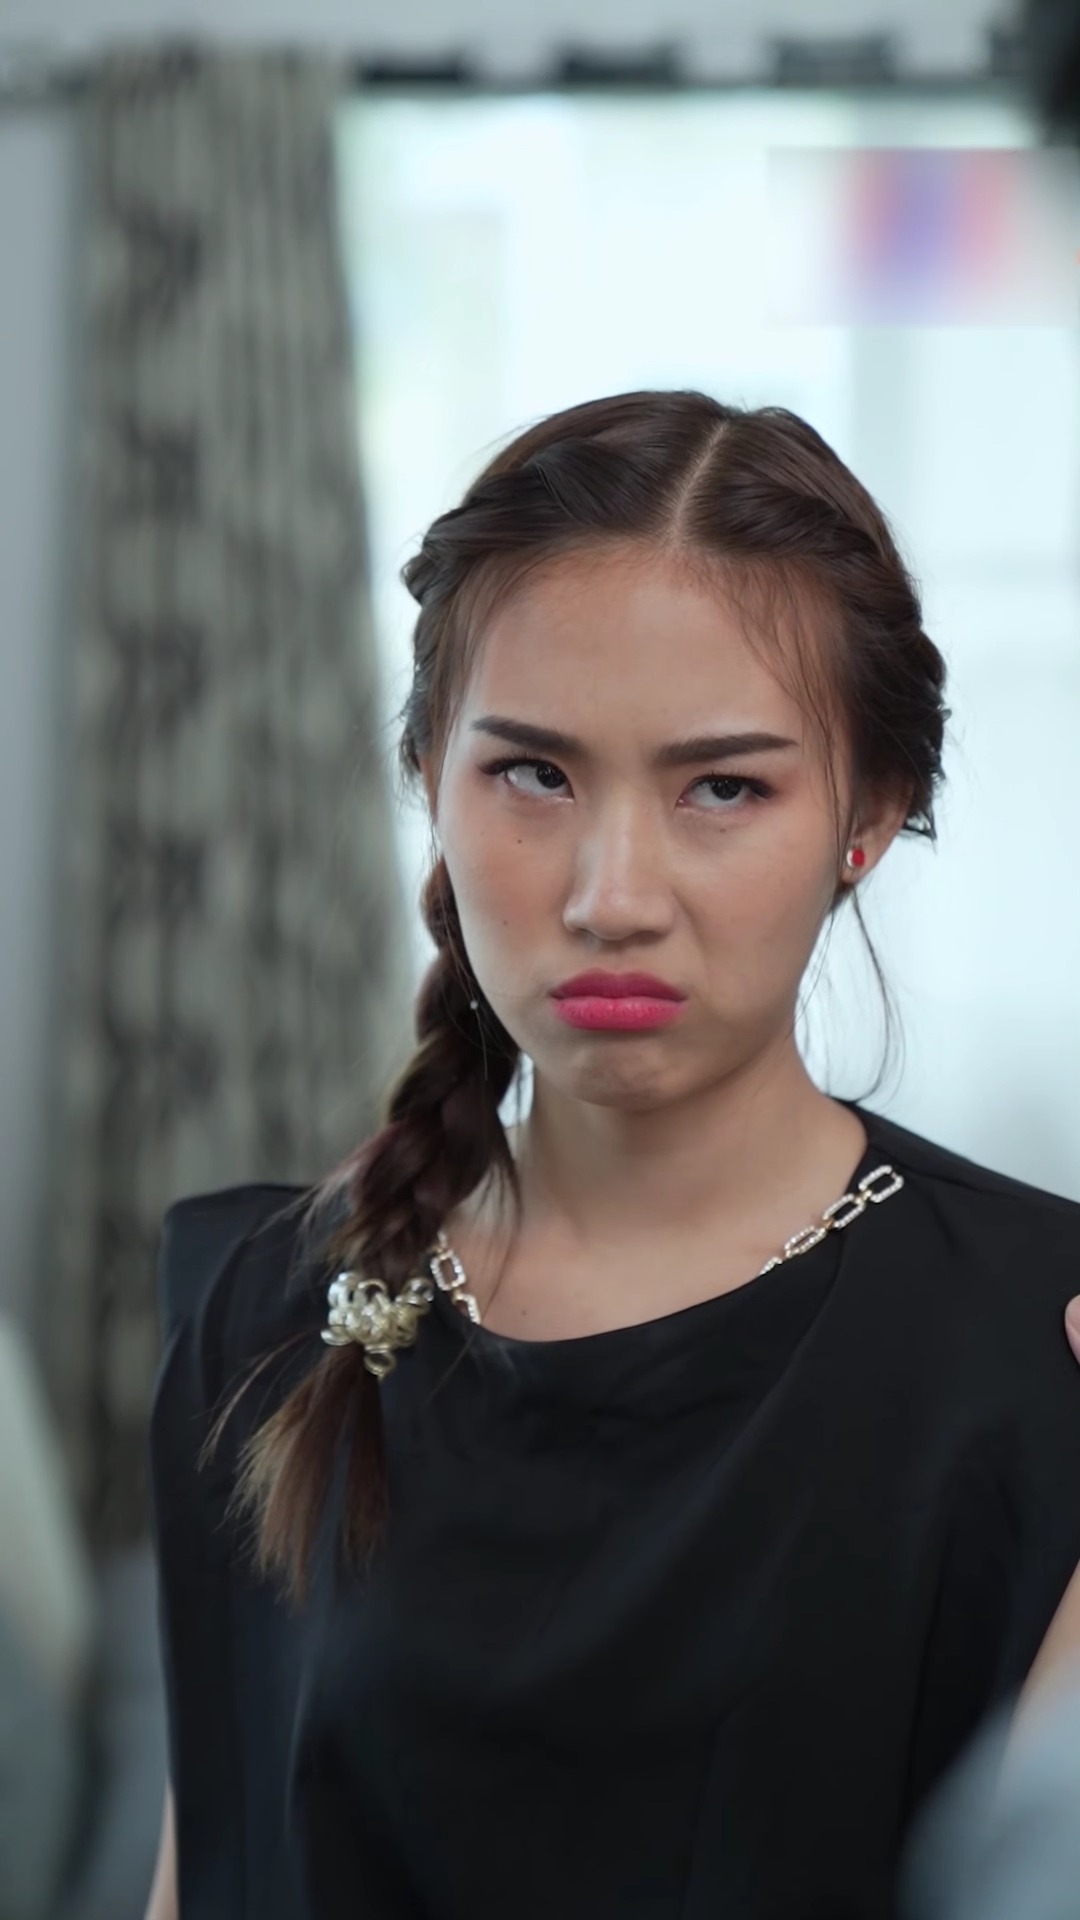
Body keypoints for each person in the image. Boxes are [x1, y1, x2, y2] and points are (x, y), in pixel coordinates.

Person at [144, 391, 1080, 1920]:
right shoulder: (257, 1307)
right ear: (428, 775)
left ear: (868, 816)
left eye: (724, 787)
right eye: (534, 774)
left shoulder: (1039, 1347)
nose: (612, 896)